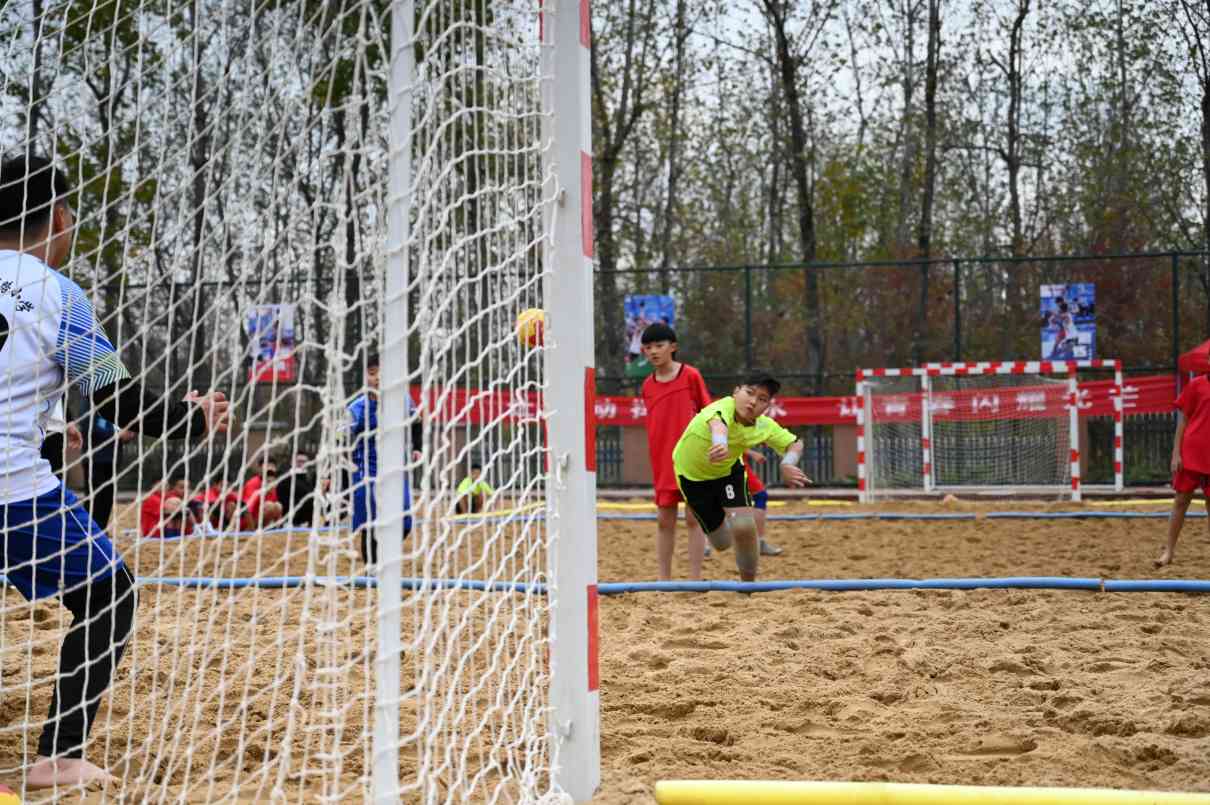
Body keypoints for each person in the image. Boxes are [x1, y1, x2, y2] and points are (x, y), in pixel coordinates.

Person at [0, 154, 230, 787]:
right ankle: (59, 756)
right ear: (58, 217)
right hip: (11, 489)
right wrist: (192, 418)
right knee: (111, 594)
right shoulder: (57, 294)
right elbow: (117, 400)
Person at [671, 372, 809, 582]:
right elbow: (718, 426)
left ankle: (748, 587)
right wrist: (720, 444)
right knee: (721, 542)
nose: (753, 401)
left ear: (767, 406)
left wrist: (788, 463)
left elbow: (796, 443)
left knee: (744, 527)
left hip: (727, 473)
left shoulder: (764, 426)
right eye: (749, 393)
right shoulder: (721, 408)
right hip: (692, 478)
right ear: (736, 392)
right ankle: (724, 524)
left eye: (762, 399)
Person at [639, 324, 711, 580]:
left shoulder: (691, 376)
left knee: (693, 518)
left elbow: (708, 412)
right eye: (648, 347)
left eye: (659, 345)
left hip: (693, 460)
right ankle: (664, 580)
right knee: (664, 520)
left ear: (673, 347)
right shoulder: (647, 385)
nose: (653, 351)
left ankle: (695, 579)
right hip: (662, 461)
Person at [349, 352, 421, 570]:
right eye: (372, 373)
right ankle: (371, 569)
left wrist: (417, 448)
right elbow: (341, 441)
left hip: (395, 470)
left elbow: (416, 423)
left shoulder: (403, 400)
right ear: (365, 377)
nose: (378, 378)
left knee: (405, 522)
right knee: (371, 521)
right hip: (365, 471)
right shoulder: (356, 409)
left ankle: (383, 555)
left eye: (383, 373)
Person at [1156, 373, 1210, 567]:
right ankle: (1168, 551)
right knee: (1180, 501)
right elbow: (1183, 421)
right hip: (1191, 452)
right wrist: (1176, 454)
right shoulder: (1196, 385)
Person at [80, 407, 135, 529]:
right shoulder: (90, 406)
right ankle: (90, 528)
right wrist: (116, 435)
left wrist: (129, 433)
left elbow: (125, 430)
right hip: (95, 460)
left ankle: (101, 529)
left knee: (107, 497)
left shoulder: (117, 407)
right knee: (95, 497)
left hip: (113, 460)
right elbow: (88, 427)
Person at [240, 456, 284, 529]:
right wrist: (250, 529)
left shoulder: (272, 484)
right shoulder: (253, 484)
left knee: (278, 506)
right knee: (270, 506)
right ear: (260, 469)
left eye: (272, 466)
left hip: (261, 521)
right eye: (267, 466)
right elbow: (246, 510)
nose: (269, 468)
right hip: (248, 522)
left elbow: (276, 509)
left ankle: (277, 529)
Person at [276, 452, 317, 527]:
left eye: (304, 462)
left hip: (306, 519)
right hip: (291, 519)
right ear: (292, 462)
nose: (302, 464)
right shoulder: (285, 479)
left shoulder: (308, 480)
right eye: (299, 461)